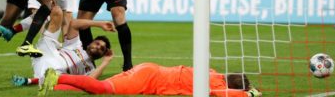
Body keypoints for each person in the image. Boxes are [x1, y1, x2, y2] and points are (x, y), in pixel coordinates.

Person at [12, 5, 115, 86]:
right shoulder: (77, 45)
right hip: (49, 52)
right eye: (97, 43)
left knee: (59, 75)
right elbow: (74, 24)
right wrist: (100, 24)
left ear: (102, 55)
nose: (98, 47)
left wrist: (106, 61)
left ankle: (31, 81)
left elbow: (90, 81)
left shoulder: (91, 69)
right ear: (89, 44)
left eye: (102, 49)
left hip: (57, 71)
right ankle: (25, 39)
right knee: (57, 11)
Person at [38, 63, 262, 97]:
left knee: (93, 90)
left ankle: (51, 84)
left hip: (149, 68)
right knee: (102, 88)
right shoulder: (215, 84)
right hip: (149, 80)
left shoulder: (213, 72)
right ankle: (57, 75)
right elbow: (218, 94)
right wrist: (249, 94)